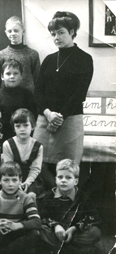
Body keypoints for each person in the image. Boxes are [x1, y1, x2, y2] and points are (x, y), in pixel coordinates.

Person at [33, 11, 93, 190]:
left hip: (70, 120)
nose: (56, 37)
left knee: (68, 168)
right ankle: (49, 202)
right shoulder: (49, 60)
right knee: (38, 164)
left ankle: (66, 205)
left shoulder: (84, 59)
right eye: (53, 34)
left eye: (61, 32)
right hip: (45, 119)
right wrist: (48, 113)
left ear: (72, 32)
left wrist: (59, 117)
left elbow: (79, 93)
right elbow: (38, 91)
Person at [39, 159, 101, 254]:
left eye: (68, 177)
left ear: (75, 181)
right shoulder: (49, 195)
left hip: (74, 234)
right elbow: (43, 216)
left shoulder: (82, 196)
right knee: (40, 230)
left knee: (95, 232)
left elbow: (93, 217)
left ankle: (59, 250)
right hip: (55, 233)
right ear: (55, 179)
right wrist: (55, 226)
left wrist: (74, 228)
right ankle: (73, 250)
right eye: (60, 177)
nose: (63, 180)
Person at [2, 109, 43, 196]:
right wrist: (18, 183)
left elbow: (35, 169)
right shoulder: (7, 144)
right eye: (18, 126)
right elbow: (9, 168)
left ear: (32, 126)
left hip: (32, 179)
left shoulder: (38, 146)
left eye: (25, 125)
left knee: (31, 195)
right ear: (14, 128)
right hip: (12, 177)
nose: (22, 129)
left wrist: (27, 183)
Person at [0, 59, 37, 142]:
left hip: (22, 137)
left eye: (15, 73)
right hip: (2, 138)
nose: (12, 76)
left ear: (21, 76)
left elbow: (33, 117)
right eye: (8, 73)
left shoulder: (27, 94)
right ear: (2, 77)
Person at [0, 16, 40, 93]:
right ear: (6, 33)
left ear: (23, 31)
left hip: (27, 97)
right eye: (10, 31)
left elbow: (37, 79)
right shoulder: (1, 55)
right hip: (6, 97)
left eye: (16, 30)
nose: (13, 34)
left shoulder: (33, 54)